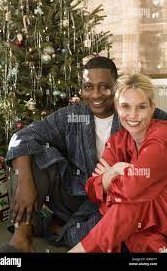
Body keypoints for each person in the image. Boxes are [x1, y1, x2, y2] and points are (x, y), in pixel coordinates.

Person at [2, 57, 167, 253]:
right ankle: (22, 236)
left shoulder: (147, 114)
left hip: (118, 205)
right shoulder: (72, 116)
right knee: (34, 155)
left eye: (105, 87)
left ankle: (61, 228)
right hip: (76, 194)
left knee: (112, 230)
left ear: (116, 88)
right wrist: (25, 183)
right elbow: (23, 136)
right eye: (88, 87)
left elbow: (137, 187)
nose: (96, 94)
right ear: (81, 88)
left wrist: (108, 178)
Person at [69, 74, 167, 253]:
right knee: (137, 230)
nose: (133, 115)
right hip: (141, 223)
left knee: (134, 201)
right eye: (125, 106)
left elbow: (131, 190)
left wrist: (107, 180)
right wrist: (114, 171)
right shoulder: (117, 141)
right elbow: (91, 190)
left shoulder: (162, 135)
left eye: (141, 107)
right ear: (116, 106)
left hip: (162, 213)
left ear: (152, 107)